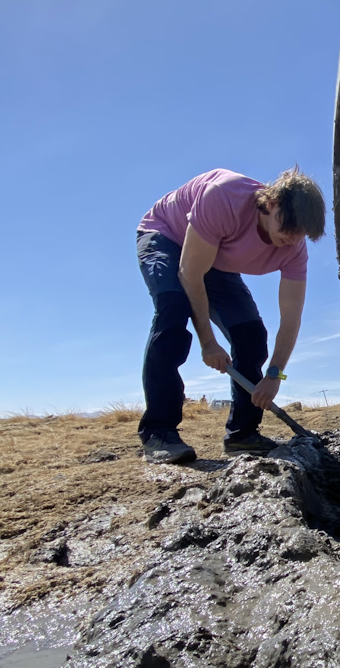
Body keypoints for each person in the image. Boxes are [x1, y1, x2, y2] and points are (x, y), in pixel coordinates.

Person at [136, 166, 326, 464]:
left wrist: (274, 374)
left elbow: (291, 318)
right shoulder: (224, 197)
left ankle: (242, 434)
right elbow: (189, 274)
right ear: (272, 204)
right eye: (288, 229)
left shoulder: (294, 248)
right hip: (167, 237)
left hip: (215, 261)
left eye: (300, 235)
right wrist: (208, 342)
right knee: (173, 309)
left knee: (250, 335)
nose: (292, 240)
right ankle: (158, 431)